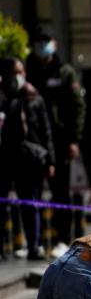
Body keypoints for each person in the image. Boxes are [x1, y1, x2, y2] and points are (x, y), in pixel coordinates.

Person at [24, 26, 86, 253]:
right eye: (38, 42)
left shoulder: (64, 72)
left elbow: (77, 107)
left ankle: (63, 238)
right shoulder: (27, 70)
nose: (41, 46)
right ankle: (34, 242)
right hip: (33, 140)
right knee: (32, 191)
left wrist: (74, 139)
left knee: (60, 191)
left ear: (54, 44)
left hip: (60, 140)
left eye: (46, 41)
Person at [0, 58, 56, 259]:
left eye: (21, 72)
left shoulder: (34, 98)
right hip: (5, 158)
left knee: (31, 203)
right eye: (14, 72)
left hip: (29, 159)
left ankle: (34, 245)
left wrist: (50, 159)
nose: (19, 76)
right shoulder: (3, 98)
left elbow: (46, 130)